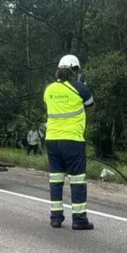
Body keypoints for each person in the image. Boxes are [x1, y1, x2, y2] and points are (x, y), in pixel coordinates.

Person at [43, 54, 94, 230]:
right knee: (77, 180)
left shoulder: (49, 89)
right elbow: (90, 107)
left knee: (56, 179)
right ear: (75, 71)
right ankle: (79, 219)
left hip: (52, 140)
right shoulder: (80, 88)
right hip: (73, 140)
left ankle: (56, 217)